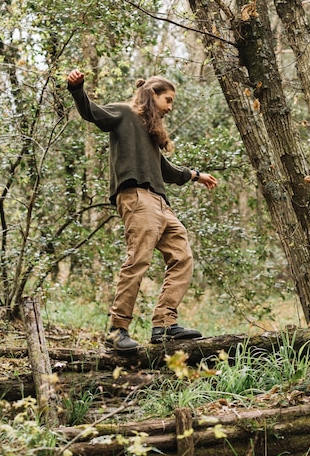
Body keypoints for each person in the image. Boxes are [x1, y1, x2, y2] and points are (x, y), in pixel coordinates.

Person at [67, 68, 218, 350]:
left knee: (182, 256)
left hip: (161, 202)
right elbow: (92, 113)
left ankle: (164, 326)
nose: (170, 107)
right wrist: (77, 88)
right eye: (168, 100)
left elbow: (165, 170)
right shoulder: (124, 113)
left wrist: (197, 176)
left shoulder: (150, 130)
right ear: (152, 95)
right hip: (136, 196)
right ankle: (117, 330)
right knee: (139, 259)